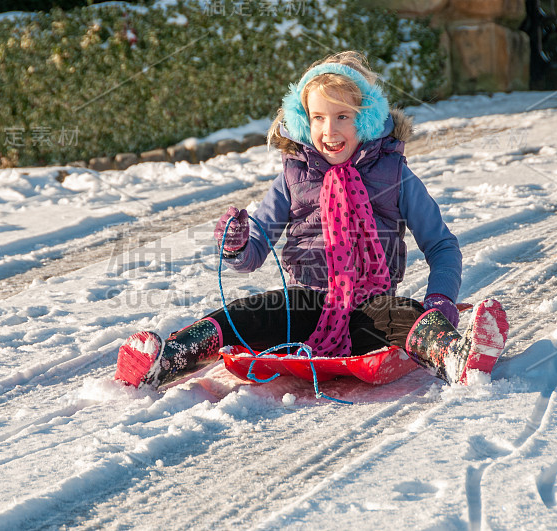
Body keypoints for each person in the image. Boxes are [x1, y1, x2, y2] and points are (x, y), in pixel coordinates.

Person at [114, 51, 508, 389]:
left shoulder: (395, 176)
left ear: (367, 120)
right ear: (304, 122)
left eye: (342, 117)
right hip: (308, 300)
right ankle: (169, 359)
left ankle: (455, 355)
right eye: (317, 118)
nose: (329, 130)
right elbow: (252, 254)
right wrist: (234, 244)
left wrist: (439, 300)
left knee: (404, 315)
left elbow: (441, 245)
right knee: (252, 311)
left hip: (371, 303)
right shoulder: (293, 177)